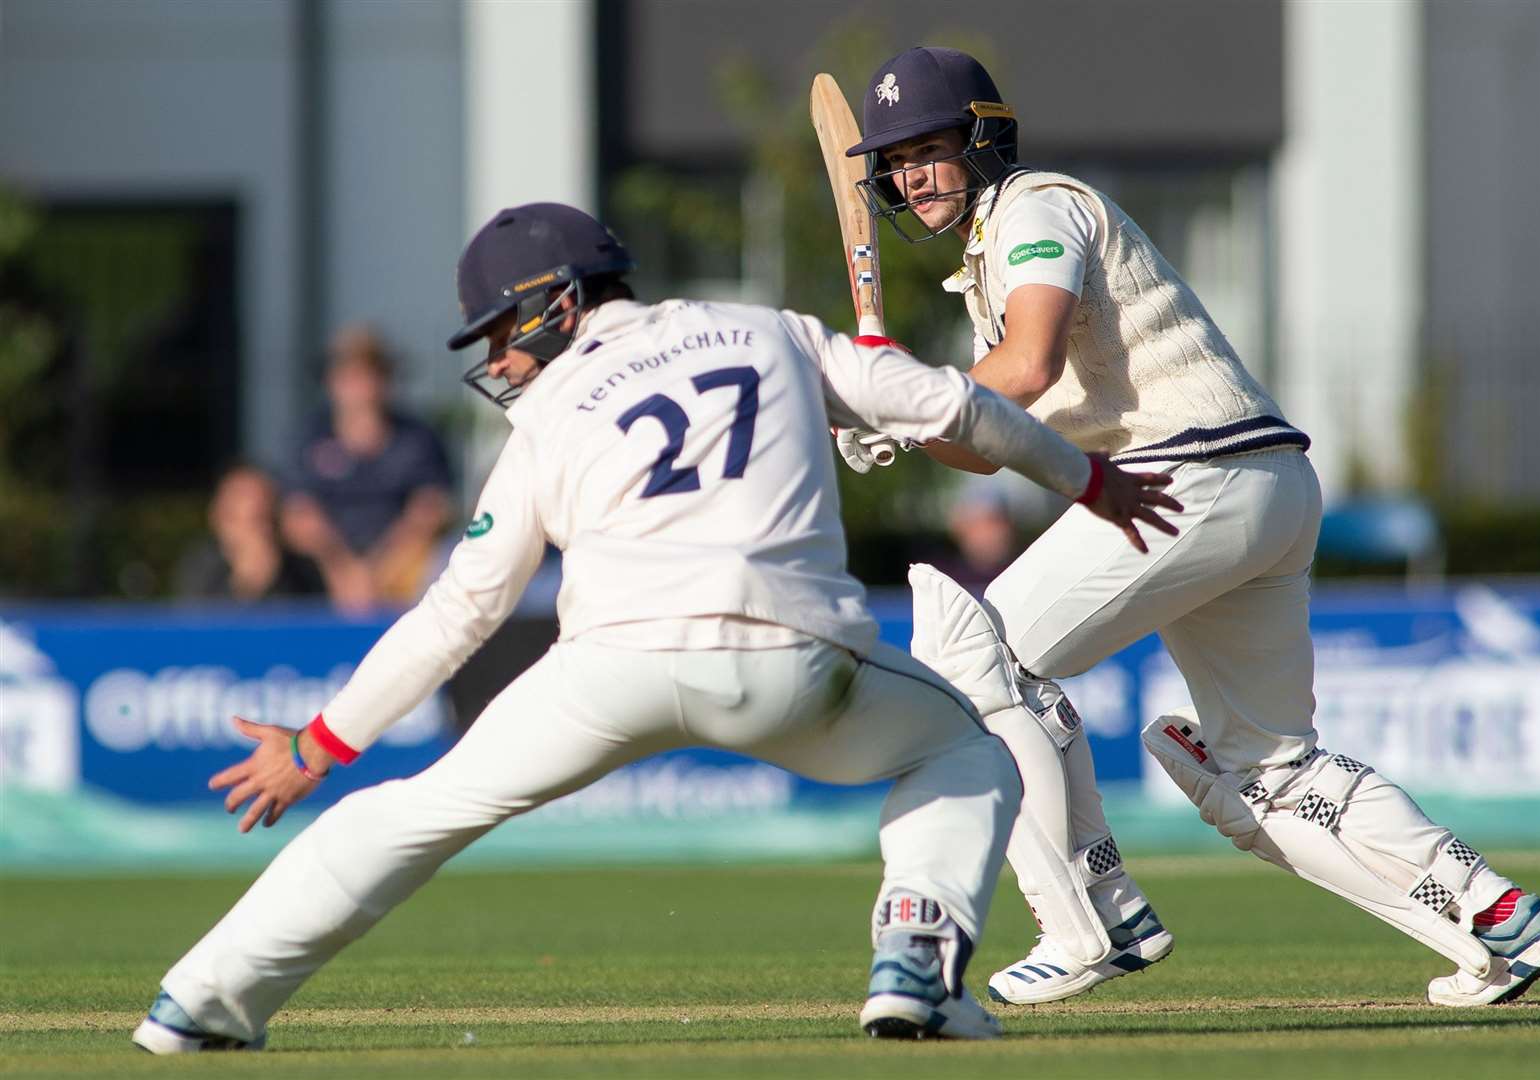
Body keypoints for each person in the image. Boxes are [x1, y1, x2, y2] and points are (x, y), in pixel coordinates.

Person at [130, 203, 1182, 1053]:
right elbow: (958, 408)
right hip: (790, 654)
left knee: (415, 808)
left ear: (558, 300)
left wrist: (320, 743)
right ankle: (915, 956)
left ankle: (201, 1002)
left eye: (502, 326)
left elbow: (465, 605)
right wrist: (1084, 477)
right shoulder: (775, 329)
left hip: (606, 667)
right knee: (969, 750)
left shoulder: (549, 416)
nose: (499, 355)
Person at [838, 46, 1540, 1008]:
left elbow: (1018, 373)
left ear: (983, 139)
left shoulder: (1035, 207)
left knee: (972, 653)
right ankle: (1494, 916)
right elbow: (986, 443)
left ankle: (1089, 919)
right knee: (1265, 773)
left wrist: (901, 404)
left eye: (927, 148)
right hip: (1260, 486)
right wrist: (899, 422)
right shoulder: (990, 259)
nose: (909, 176)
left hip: (1192, 475)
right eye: (894, 161)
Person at [281, 326, 454, 612]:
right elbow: (299, 516)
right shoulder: (310, 436)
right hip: (325, 567)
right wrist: (341, 567)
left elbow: (431, 511)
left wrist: (382, 571)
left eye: (372, 375)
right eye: (351, 376)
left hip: (401, 566)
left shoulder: (417, 437)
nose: (363, 387)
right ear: (332, 382)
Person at [174, 462, 325, 602]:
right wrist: (251, 578)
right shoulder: (201, 566)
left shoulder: (301, 567)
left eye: (261, 520)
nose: (254, 535)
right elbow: (202, 621)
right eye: (236, 518)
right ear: (217, 516)